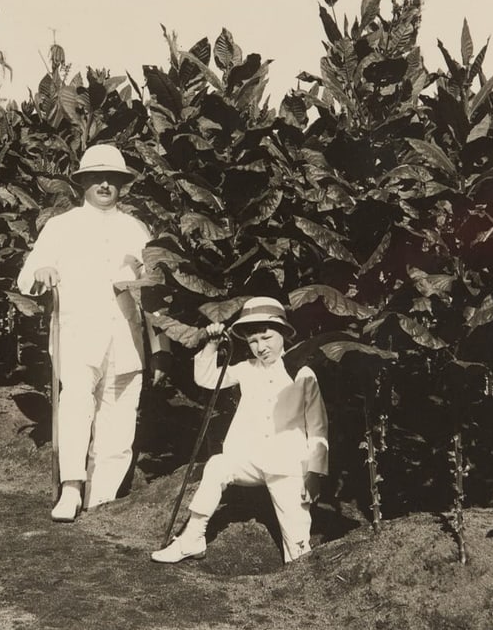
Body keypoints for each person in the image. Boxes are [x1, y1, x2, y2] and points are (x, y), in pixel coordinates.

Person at [17, 143, 152, 522]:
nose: (105, 184)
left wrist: (160, 341)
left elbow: (155, 282)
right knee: (77, 403)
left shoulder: (136, 229)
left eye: (113, 179)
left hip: (125, 335)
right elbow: (28, 275)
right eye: (97, 178)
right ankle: (72, 488)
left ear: (122, 185)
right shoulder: (62, 226)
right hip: (78, 331)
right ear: (83, 183)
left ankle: (103, 496)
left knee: (121, 411)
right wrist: (43, 273)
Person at [151, 296, 329, 564]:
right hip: (250, 458)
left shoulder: (301, 373)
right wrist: (211, 344)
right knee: (217, 465)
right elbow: (207, 379)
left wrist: (314, 472)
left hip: (288, 465)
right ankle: (192, 538)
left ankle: (299, 579)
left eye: (267, 337)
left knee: (298, 546)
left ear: (283, 333)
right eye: (253, 340)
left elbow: (318, 426)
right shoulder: (246, 369)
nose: (260, 347)